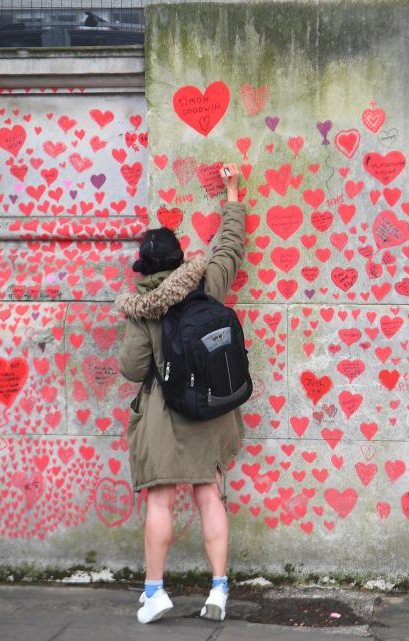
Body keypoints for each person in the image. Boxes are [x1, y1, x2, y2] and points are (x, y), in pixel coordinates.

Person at [116, 164, 246, 624]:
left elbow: (133, 369)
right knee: (209, 495)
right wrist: (231, 194)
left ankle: (155, 593)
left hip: (167, 416)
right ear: (179, 257)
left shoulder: (141, 310)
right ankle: (218, 591)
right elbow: (229, 247)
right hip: (211, 410)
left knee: (160, 500)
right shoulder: (206, 282)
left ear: (145, 269)